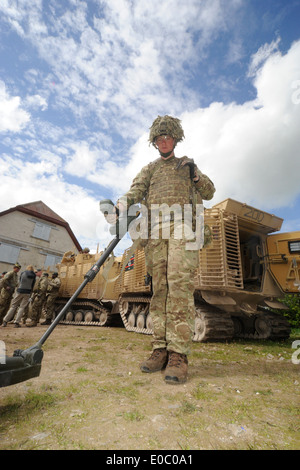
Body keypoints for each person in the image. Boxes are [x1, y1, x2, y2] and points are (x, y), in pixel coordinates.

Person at [116, 115, 215, 384]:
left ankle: (178, 355)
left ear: (176, 138)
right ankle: (159, 349)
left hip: (183, 230)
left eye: (168, 137)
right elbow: (134, 191)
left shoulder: (187, 166)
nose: (164, 141)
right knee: (159, 290)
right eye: (159, 138)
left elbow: (209, 191)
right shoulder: (149, 169)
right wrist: (122, 204)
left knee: (179, 287)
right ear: (154, 142)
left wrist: (195, 174)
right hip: (156, 234)